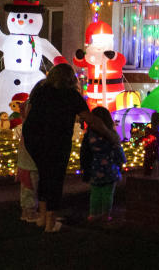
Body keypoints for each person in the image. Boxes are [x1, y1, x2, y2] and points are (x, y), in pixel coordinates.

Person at [22, 63, 119, 233]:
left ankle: (42, 218)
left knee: (44, 174)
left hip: (33, 137)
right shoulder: (71, 95)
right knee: (56, 177)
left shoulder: (41, 90)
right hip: (56, 139)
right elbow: (90, 118)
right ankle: (50, 224)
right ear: (70, 79)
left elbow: (29, 112)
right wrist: (110, 134)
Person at [81, 106, 126, 223]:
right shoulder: (111, 135)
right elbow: (117, 150)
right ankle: (105, 214)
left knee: (95, 192)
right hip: (110, 168)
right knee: (108, 193)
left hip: (94, 168)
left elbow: (85, 152)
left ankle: (93, 213)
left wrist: (85, 167)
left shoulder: (90, 135)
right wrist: (122, 161)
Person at [14, 96, 40, 223]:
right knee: (30, 188)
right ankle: (29, 213)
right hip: (30, 163)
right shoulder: (33, 127)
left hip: (24, 162)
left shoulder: (26, 125)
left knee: (27, 189)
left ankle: (27, 211)